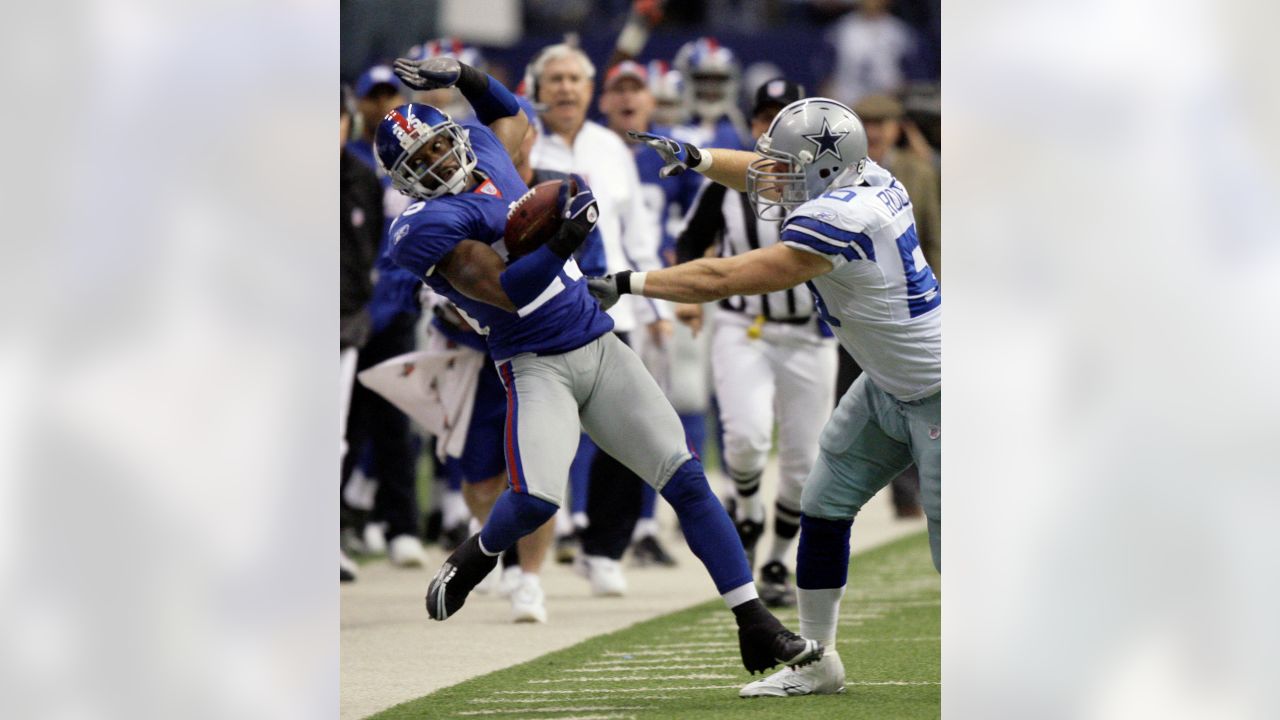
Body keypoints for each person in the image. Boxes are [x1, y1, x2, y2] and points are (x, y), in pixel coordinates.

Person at [383, 54, 823, 676]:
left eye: (438, 148)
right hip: (534, 362)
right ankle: (474, 556)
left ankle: (755, 620)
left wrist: (463, 76)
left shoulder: (484, 151)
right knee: (536, 500)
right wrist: (563, 237)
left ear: (454, 137)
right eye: (420, 164)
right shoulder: (425, 225)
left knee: (687, 480)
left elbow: (512, 111)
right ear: (405, 181)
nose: (438, 164)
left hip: (597, 341)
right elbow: (508, 290)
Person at [588, 96, 941, 696]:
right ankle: (817, 661)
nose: (772, 176)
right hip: (890, 384)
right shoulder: (870, 176)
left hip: (942, 394)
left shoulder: (842, 218)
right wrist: (698, 158)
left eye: (789, 165)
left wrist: (628, 283)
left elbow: (722, 277)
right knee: (824, 504)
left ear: (825, 170)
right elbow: (763, 167)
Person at [671, 78, 838, 608]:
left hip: (811, 336)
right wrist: (689, 297)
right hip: (743, 328)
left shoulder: (832, 182)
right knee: (743, 438)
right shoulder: (726, 178)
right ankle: (747, 507)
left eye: (782, 115)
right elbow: (688, 243)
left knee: (803, 463)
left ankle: (775, 561)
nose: (771, 125)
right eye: (764, 115)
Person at [525, 43, 674, 595]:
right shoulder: (520, 143)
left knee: (626, 430)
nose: (565, 88)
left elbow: (638, 234)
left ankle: (605, 548)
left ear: (591, 91)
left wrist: (654, 302)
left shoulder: (611, 147)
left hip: (615, 305)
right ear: (537, 88)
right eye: (555, 78)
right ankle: (522, 558)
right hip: (545, 309)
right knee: (540, 432)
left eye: (574, 79)